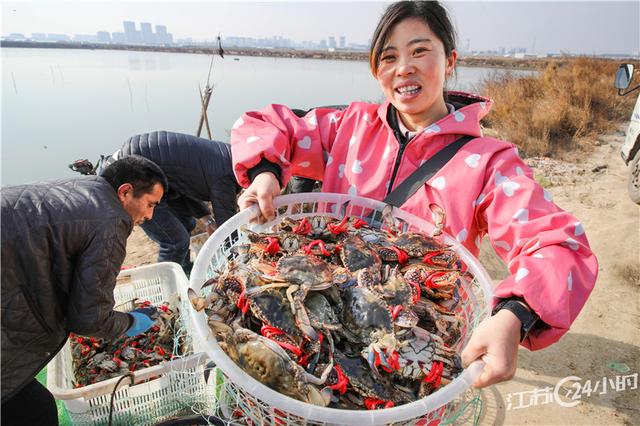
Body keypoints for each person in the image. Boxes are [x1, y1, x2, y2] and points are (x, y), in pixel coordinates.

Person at [230, 1, 598, 388]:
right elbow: (265, 123)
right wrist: (266, 172)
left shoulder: (489, 164)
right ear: (377, 70)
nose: (404, 67)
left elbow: (558, 245)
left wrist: (514, 314)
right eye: (389, 57)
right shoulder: (348, 127)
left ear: (450, 60)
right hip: (326, 317)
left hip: (415, 338)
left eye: (420, 51)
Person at [1, 156, 167, 425]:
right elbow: (89, 320)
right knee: (34, 410)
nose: (149, 216)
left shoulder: (83, 187)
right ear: (125, 192)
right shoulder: (112, 221)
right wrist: (131, 321)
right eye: (150, 204)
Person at [115, 131, 240, 275]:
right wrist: (237, 263)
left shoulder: (228, 156)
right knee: (175, 242)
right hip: (135, 174)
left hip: (166, 177)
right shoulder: (226, 174)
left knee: (187, 224)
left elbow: (187, 184)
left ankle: (184, 270)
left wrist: (207, 220)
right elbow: (229, 230)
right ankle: (169, 288)